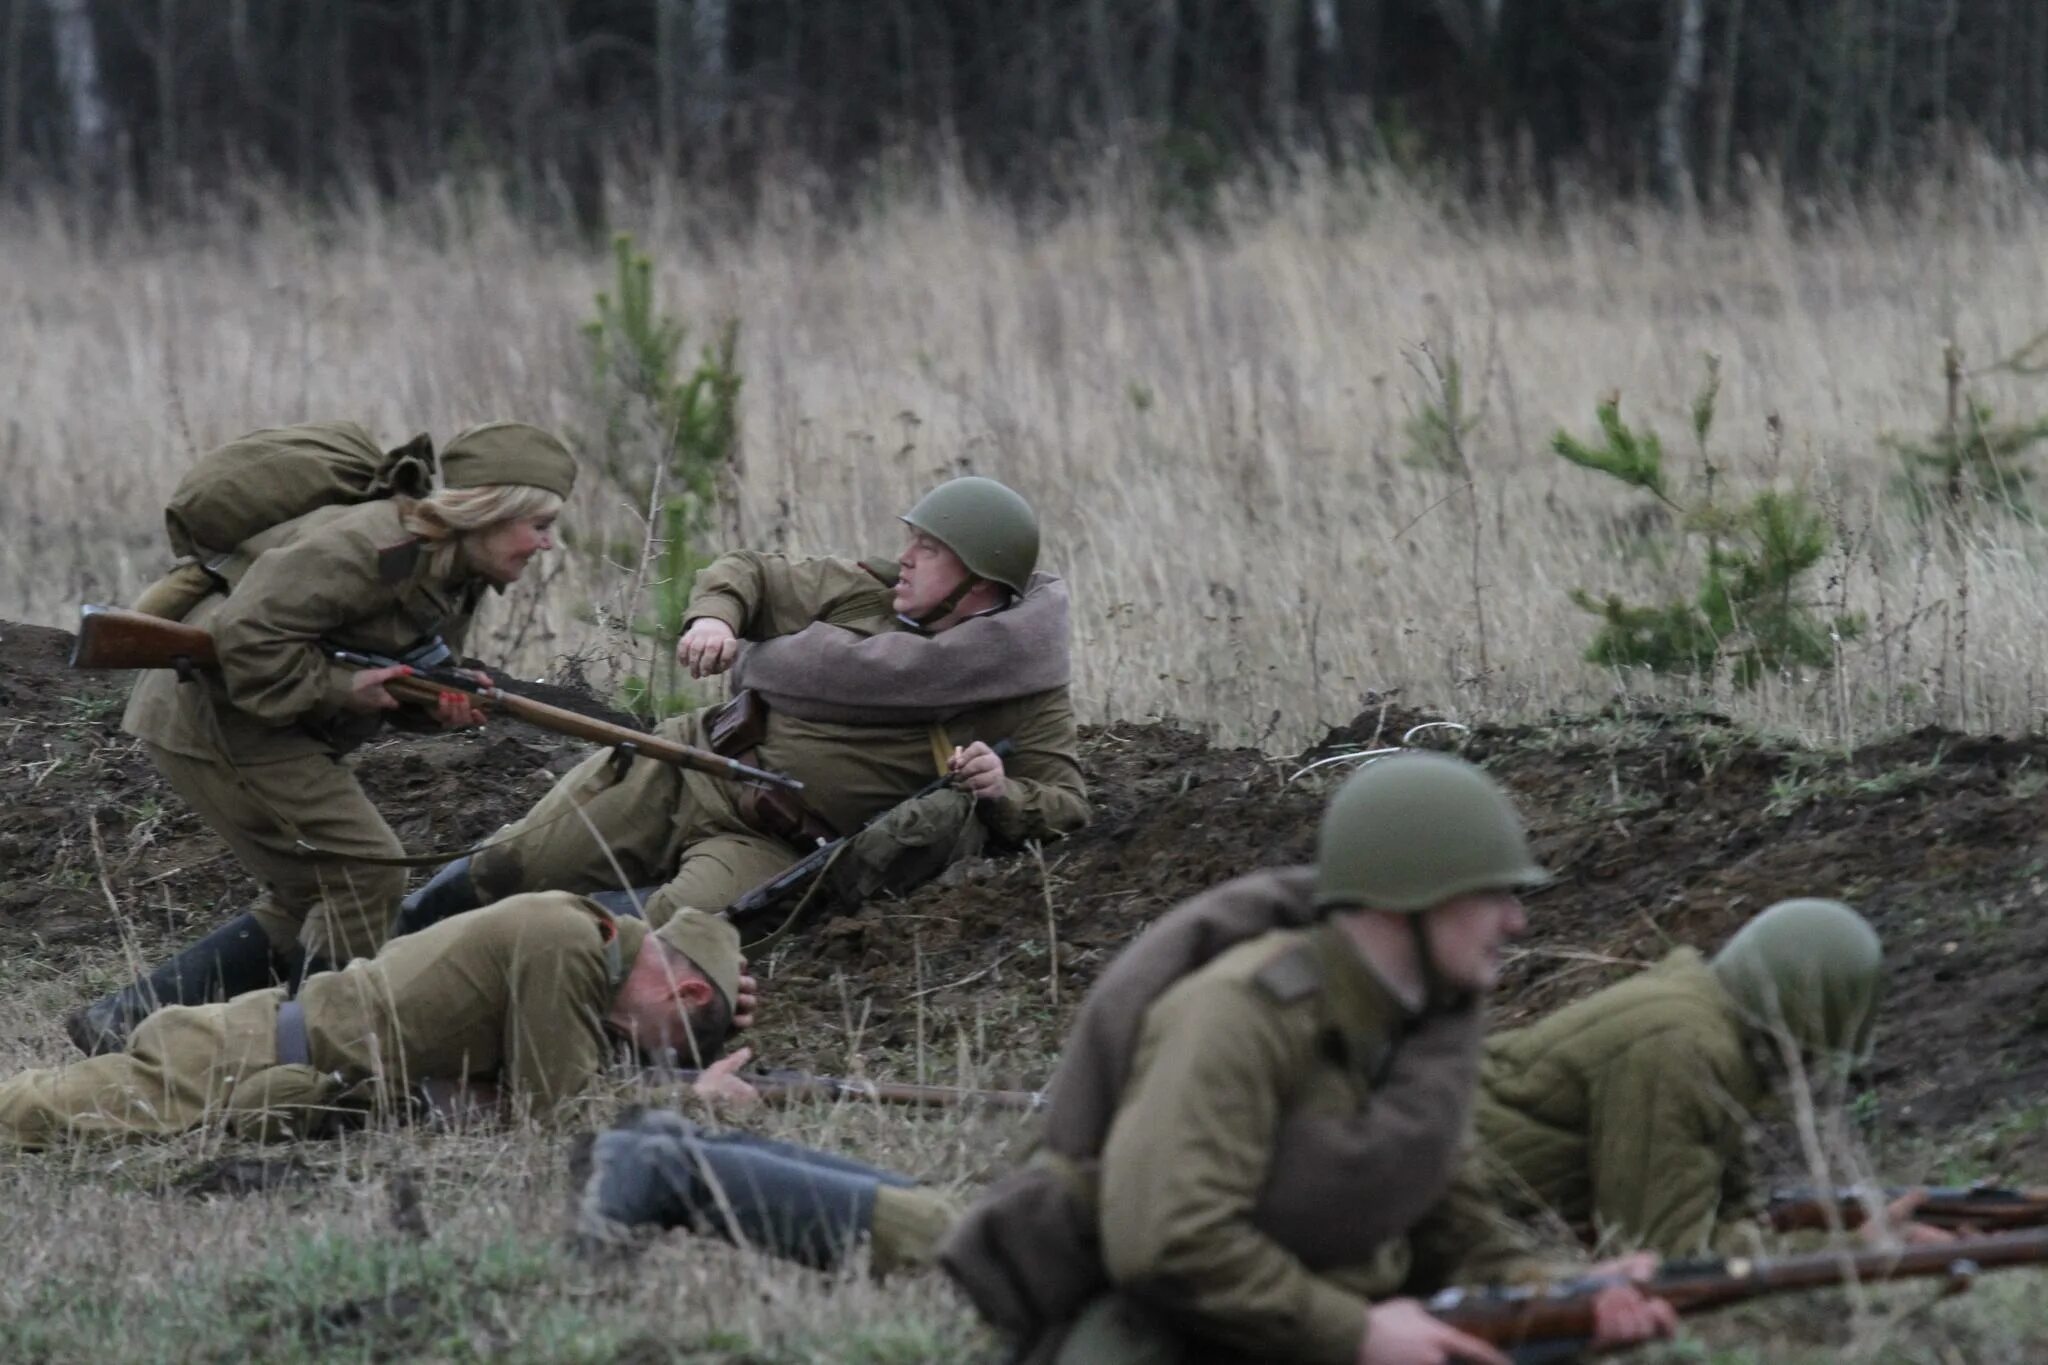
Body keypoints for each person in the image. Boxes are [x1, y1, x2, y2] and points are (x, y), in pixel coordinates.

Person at [576, 754, 1679, 1365]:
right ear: (1406, 900)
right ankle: (677, 1167)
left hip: (1262, 1312)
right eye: (1493, 896)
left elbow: (1450, 1229)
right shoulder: (1242, 1015)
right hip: (1143, 1322)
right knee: (942, 1235)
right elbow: (1166, 1246)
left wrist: (1570, 1296)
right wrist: (1358, 1334)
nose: (1517, 926)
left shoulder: (1413, 1030)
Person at [68, 421, 579, 1057]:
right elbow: (248, 638)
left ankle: (125, 1020)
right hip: (215, 717)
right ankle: (316, 1054)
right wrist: (345, 688)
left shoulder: (454, 569)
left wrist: (434, 700)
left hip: (268, 722)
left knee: (314, 891)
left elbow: (386, 663)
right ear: (490, 510)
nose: (548, 545)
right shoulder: (372, 546)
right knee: (367, 870)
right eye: (539, 524)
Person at [394, 474, 1088, 935]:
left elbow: (1065, 802)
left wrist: (1003, 793)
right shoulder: (868, 591)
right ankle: (361, 965)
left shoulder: (1019, 684)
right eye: (910, 540)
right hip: (685, 761)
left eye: (929, 549)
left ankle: (494, 968)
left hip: (771, 840)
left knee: (657, 931)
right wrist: (716, 620)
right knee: (506, 866)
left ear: (979, 582)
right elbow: (749, 572)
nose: (904, 557)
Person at [3, 894, 747, 1149]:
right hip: (236, 1054)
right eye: (665, 1044)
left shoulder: (582, 943)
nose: (639, 1051)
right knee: (29, 1115)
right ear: (679, 992)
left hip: (275, 1066)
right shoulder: (567, 943)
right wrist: (687, 1096)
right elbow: (559, 1112)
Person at [1474, 897, 1948, 1256]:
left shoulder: (1706, 1026)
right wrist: (1844, 1251)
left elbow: (1730, 1207)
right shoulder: (1682, 1048)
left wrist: (1836, 1231)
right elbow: (1667, 1251)